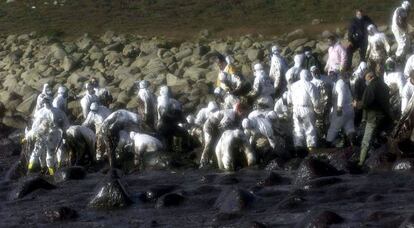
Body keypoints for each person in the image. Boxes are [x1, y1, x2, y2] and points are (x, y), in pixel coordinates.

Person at [26, 96, 69, 175]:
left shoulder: (58, 112)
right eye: (44, 102)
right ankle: (29, 171)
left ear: (51, 101)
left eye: (47, 101)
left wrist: (64, 130)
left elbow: (65, 122)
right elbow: (35, 126)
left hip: (53, 136)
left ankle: (51, 173)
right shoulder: (40, 112)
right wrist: (35, 133)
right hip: (41, 135)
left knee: (50, 155)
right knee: (36, 153)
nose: (46, 103)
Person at [357, 72, 391, 166]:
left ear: (370, 77)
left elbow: (365, 103)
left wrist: (357, 104)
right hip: (385, 117)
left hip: (374, 117)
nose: (365, 81)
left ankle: (361, 162)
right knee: (381, 138)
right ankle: (384, 159)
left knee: (366, 141)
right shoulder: (383, 85)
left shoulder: (371, 87)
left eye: (366, 79)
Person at [289, 69, 320, 152]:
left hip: (296, 109)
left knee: (297, 128)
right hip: (306, 109)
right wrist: (317, 109)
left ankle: (298, 148)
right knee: (309, 129)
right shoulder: (310, 85)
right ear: (308, 75)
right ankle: (311, 148)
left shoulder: (293, 85)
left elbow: (289, 99)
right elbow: (315, 99)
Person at [326, 72, 356, 147]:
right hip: (349, 110)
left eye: (332, 75)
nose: (331, 77)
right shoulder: (343, 83)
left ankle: (328, 145)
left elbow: (341, 95)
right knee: (349, 128)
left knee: (333, 128)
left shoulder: (339, 83)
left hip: (341, 111)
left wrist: (339, 107)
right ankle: (353, 145)